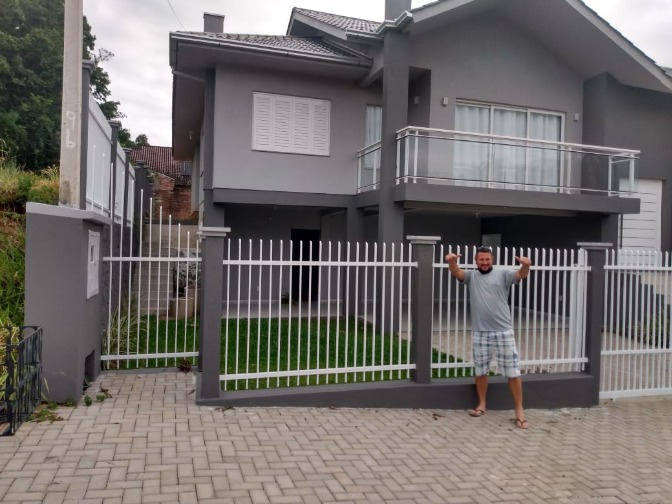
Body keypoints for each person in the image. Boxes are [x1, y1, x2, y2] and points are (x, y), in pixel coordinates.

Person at [444, 246, 532, 429]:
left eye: (487, 259)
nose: (484, 263)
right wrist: (452, 262)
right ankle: (482, 404)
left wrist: (526, 265)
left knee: (513, 373)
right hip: (480, 332)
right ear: (476, 261)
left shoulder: (503, 274)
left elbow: (521, 275)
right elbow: (456, 272)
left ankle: (519, 410)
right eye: (481, 260)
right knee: (480, 371)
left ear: (492, 259)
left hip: (503, 331)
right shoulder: (471, 276)